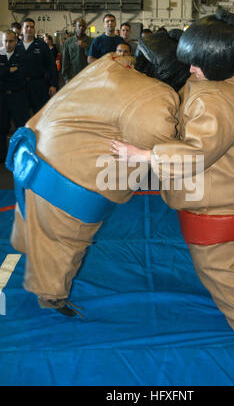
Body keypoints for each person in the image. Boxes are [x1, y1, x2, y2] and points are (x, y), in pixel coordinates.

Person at [111, 8, 234, 346]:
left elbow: (195, 155)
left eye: (196, 63)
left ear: (218, 62)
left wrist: (145, 155)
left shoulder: (216, 104)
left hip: (219, 200)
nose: (190, 69)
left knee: (219, 262)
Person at [7, 32, 190, 317]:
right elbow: (159, 141)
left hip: (32, 150)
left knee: (37, 223)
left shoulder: (114, 62)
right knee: (65, 241)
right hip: (65, 177)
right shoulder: (156, 95)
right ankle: (50, 296)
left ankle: (31, 253)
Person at [15, 18, 57, 114]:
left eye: (32, 27)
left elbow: (51, 66)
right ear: (22, 29)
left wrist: (53, 85)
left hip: (38, 86)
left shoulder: (42, 45)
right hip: (20, 87)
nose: (29, 29)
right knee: (22, 115)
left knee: (39, 115)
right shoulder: (16, 46)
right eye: (27, 27)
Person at [0, 30, 30, 162]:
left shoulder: (22, 57)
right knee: (1, 128)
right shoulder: (0, 56)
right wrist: (9, 70)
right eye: (5, 41)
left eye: (11, 41)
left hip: (18, 97)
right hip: (2, 98)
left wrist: (3, 73)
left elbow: (20, 77)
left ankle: (21, 157)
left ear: (16, 41)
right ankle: (2, 157)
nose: (8, 44)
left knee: (21, 127)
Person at [62, 19, 92, 83]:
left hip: (87, 76)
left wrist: (86, 47)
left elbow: (93, 59)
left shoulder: (91, 41)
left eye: (83, 26)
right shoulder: (69, 42)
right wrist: (66, 77)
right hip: (73, 76)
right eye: (79, 26)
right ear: (75, 27)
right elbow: (65, 60)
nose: (81, 28)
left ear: (86, 27)